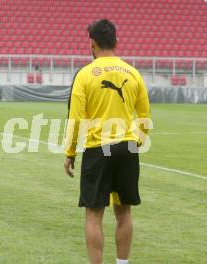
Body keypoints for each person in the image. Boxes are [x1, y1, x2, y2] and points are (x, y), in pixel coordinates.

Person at [63, 19, 151, 264]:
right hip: (127, 147)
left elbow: (76, 118)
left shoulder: (85, 75)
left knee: (94, 214)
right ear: (116, 42)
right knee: (124, 212)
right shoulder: (133, 72)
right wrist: (138, 142)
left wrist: (70, 152)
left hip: (98, 149)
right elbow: (144, 116)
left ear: (92, 44)